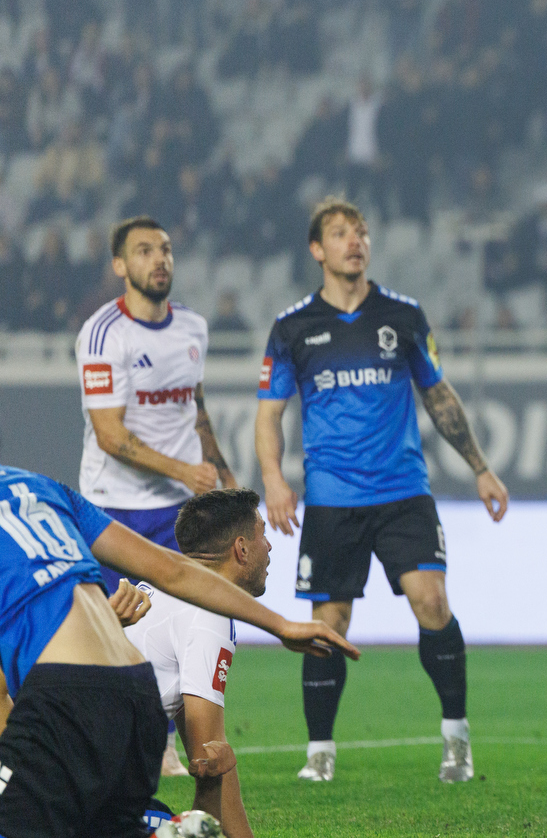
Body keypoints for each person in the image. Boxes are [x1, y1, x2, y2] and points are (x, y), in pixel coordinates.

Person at [256, 198, 510, 784]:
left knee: (432, 603)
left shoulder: (403, 315)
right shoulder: (293, 328)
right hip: (332, 496)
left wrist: (480, 466)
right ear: (317, 250)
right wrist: (273, 479)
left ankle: (456, 740)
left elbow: (439, 397)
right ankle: (319, 752)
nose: (355, 241)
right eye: (341, 233)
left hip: (402, 490)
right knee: (329, 624)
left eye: (362, 232)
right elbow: (269, 414)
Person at [0, 462, 356, 838]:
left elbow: (209, 756)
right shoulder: (44, 487)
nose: (268, 545)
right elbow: (173, 569)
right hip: (134, 695)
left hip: (65, 700)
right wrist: (279, 625)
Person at [75, 215, 237, 775]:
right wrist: (185, 470)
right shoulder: (103, 334)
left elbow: (194, 405)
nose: (159, 259)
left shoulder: (192, 327)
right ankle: (88, 740)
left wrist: (220, 468)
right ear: (120, 266)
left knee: (193, 622)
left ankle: (170, 739)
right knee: (111, 628)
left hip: (177, 511)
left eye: (165, 249)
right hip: (111, 506)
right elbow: (110, 435)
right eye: (144, 251)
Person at [124, 488, 273, 838]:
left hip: (51, 773)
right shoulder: (209, 614)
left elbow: (208, 746)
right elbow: (209, 761)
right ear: (242, 548)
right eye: (263, 533)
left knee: (156, 814)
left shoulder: (167, 591)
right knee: (186, 832)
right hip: (65, 795)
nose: (269, 546)